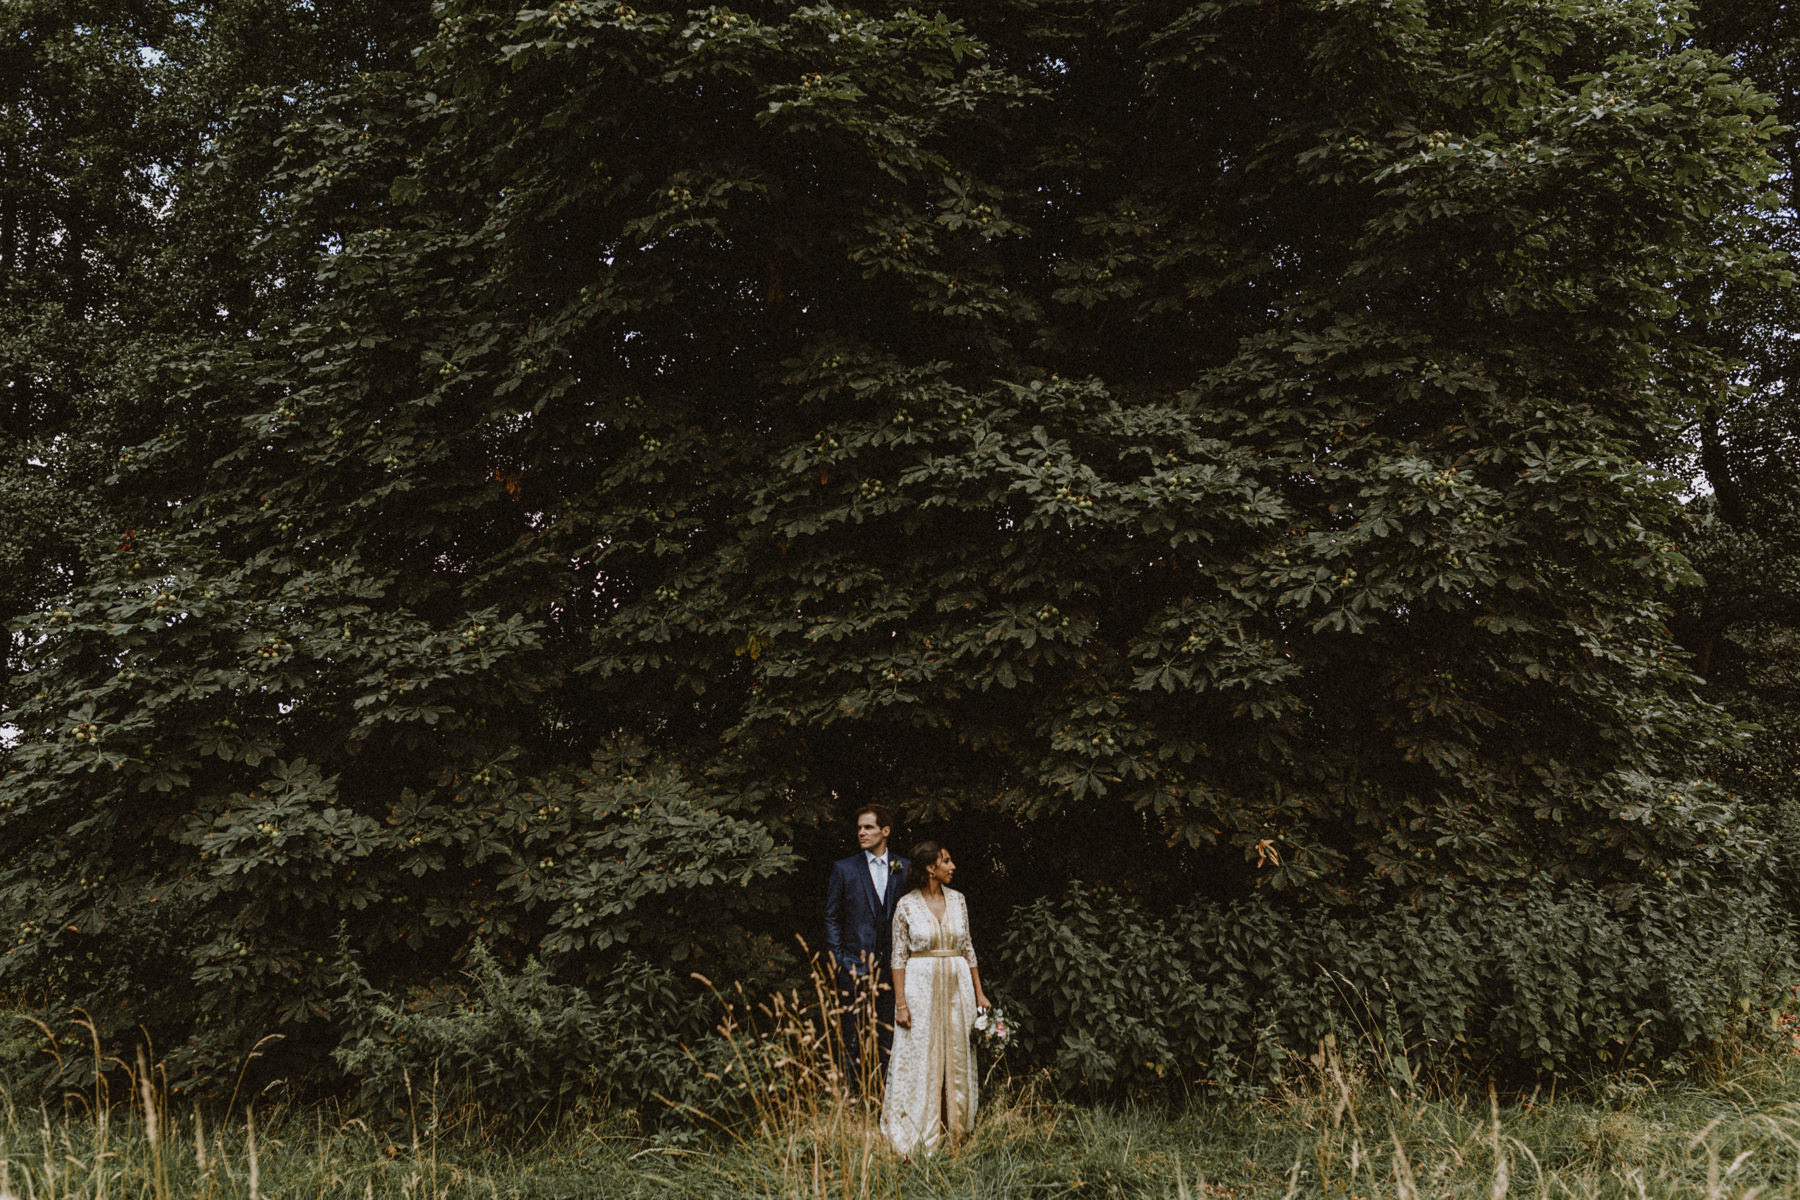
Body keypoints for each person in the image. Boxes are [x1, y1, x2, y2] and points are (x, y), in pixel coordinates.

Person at [881, 840, 992, 1157]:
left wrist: (979, 992)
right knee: (920, 1053)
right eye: (946, 861)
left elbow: (968, 948)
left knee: (957, 1052)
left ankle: (955, 1130)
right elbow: (898, 958)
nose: (952, 866)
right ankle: (919, 1131)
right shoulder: (906, 906)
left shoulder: (958, 900)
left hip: (958, 989)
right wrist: (901, 1005)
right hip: (920, 989)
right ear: (931, 868)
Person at [824, 804, 909, 1092]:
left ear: (885, 831)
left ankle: (886, 1099)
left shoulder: (904, 867)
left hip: (894, 971)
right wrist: (839, 960)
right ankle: (851, 1102)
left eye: (868, 827)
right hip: (853, 967)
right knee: (851, 1040)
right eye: (859, 827)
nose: (861, 832)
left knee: (890, 1039)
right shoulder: (844, 868)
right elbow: (832, 917)